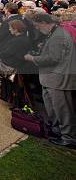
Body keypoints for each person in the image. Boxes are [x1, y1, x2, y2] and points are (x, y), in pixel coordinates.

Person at [24, 13, 76, 148]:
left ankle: (68, 137)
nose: (36, 28)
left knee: (62, 110)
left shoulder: (58, 35)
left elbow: (53, 58)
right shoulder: (55, 33)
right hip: (51, 78)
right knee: (54, 108)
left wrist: (33, 58)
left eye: (36, 25)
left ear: (44, 22)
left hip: (58, 78)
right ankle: (58, 131)